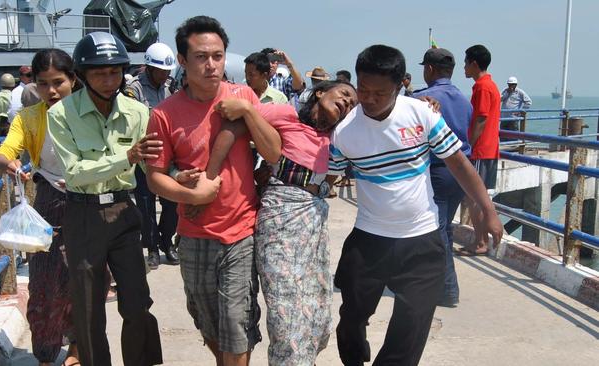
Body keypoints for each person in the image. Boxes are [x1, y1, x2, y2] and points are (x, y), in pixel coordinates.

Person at [329, 44, 503, 366]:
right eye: (363, 89)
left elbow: (460, 165)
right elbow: (329, 179)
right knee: (351, 318)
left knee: (411, 328)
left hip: (422, 240)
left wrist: (488, 211)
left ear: (400, 86)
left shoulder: (422, 114)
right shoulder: (344, 132)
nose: (368, 99)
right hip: (369, 239)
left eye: (379, 93)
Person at [145, 15, 281, 366]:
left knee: (236, 322)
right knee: (206, 319)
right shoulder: (164, 114)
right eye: (201, 57)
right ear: (182, 61)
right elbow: (155, 176)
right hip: (193, 234)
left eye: (218, 56)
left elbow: (273, 152)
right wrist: (191, 195)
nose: (211, 65)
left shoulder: (243, 95)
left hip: (240, 231)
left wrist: (249, 111)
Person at [205, 80, 357, 365]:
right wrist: (209, 177)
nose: (347, 102)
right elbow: (235, 127)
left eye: (351, 104)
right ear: (321, 92)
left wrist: (425, 105)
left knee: (318, 315)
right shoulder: (284, 114)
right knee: (287, 313)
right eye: (345, 94)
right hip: (281, 218)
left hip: (313, 221)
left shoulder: (340, 134)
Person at [47, 32, 162, 366]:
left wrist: (175, 175)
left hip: (124, 211)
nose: (109, 80)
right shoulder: (61, 114)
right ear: (82, 75)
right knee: (88, 308)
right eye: (99, 73)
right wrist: (125, 157)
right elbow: (75, 173)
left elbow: (152, 162)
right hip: (83, 216)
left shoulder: (138, 111)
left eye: (115, 72)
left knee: (138, 302)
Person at [0, 48, 79, 366]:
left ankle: (78, 351)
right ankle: (45, 354)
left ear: (73, 80)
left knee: (81, 283)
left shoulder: (91, 114)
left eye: (59, 82)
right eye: (43, 84)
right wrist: (8, 162)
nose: (51, 91)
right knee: (43, 284)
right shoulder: (28, 118)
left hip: (88, 206)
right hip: (48, 204)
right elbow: (4, 151)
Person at [413, 47, 473, 308]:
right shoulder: (463, 98)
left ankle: (447, 289)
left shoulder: (422, 98)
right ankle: (443, 286)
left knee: (435, 233)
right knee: (444, 229)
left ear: (428, 69)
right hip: (461, 170)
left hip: (436, 170)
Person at [125, 42, 180, 269]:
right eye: (161, 71)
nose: (164, 74)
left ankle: (167, 243)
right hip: (145, 159)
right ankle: (153, 249)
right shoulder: (135, 89)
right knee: (146, 206)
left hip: (167, 157)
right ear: (149, 68)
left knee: (172, 204)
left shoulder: (169, 89)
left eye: (168, 71)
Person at [458, 44, 502, 256]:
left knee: (474, 198)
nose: (464, 67)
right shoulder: (489, 85)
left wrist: (469, 144)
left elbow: (481, 118)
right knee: (478, 197)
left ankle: (481, 242)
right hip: (488, 149)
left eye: (466, 63)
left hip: (480, 150)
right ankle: (481, 240)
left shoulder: (483, 87)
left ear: (474, 63)